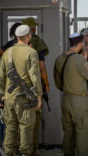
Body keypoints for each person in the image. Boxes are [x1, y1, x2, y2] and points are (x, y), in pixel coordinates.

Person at [0, 25, 43, 155]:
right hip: (24, 99)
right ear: (28, 36)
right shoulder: (31, 52)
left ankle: (8, 153)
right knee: (26, 129)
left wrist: (2, 94)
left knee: (10, 129)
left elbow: (0, 76)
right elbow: (34, 75)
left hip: (9, 97)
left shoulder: (7, 52)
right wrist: (38, 96)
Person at [53, 33, 88, 156]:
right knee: (82, 135)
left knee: (68, 134)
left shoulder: (59, 58)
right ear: (80, 44)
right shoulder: (78, 59)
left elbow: (58, 83)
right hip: (79, 101)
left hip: (66, 99)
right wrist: (85, 60)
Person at [21, 17, 50, 156]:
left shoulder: (14, 44)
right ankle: (32, 151)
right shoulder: (37, 42)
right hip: (34, 87)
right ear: (32, 29)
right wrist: (47, 84)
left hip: (17, 89)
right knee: (35, 119)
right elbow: (42, 66)